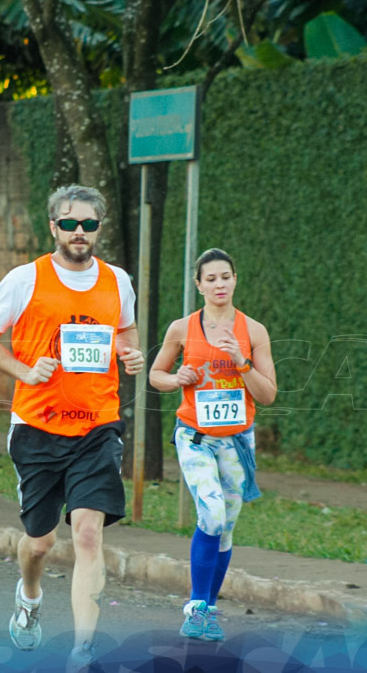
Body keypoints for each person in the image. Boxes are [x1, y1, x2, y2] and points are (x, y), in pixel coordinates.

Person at [0, 185, 144, 670]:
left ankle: (83, 651)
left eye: (89, 224)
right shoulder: (25, 279)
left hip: (98, 426)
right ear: (53, 227)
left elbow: (125, 332)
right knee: (41, 542)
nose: (79, 232)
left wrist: (130, 353)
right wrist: (25, 371)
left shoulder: (118, 281)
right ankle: (29, 594)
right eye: (69, 223)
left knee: (88, 534)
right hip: (37, 427)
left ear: (99, 228)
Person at [148, 248, 277, 641]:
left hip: (237, 443)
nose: (219, 284)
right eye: (211, 279)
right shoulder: (181, 328)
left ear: (235, 279)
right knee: (213, 515)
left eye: (225, 277)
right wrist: (177, 379)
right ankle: (196, 607)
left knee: (225, 530)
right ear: (198, 284)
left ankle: (209, 609)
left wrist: (242, 362)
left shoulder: (253, 331)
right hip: (196, 438)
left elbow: (268, 394)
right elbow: (156, 375)